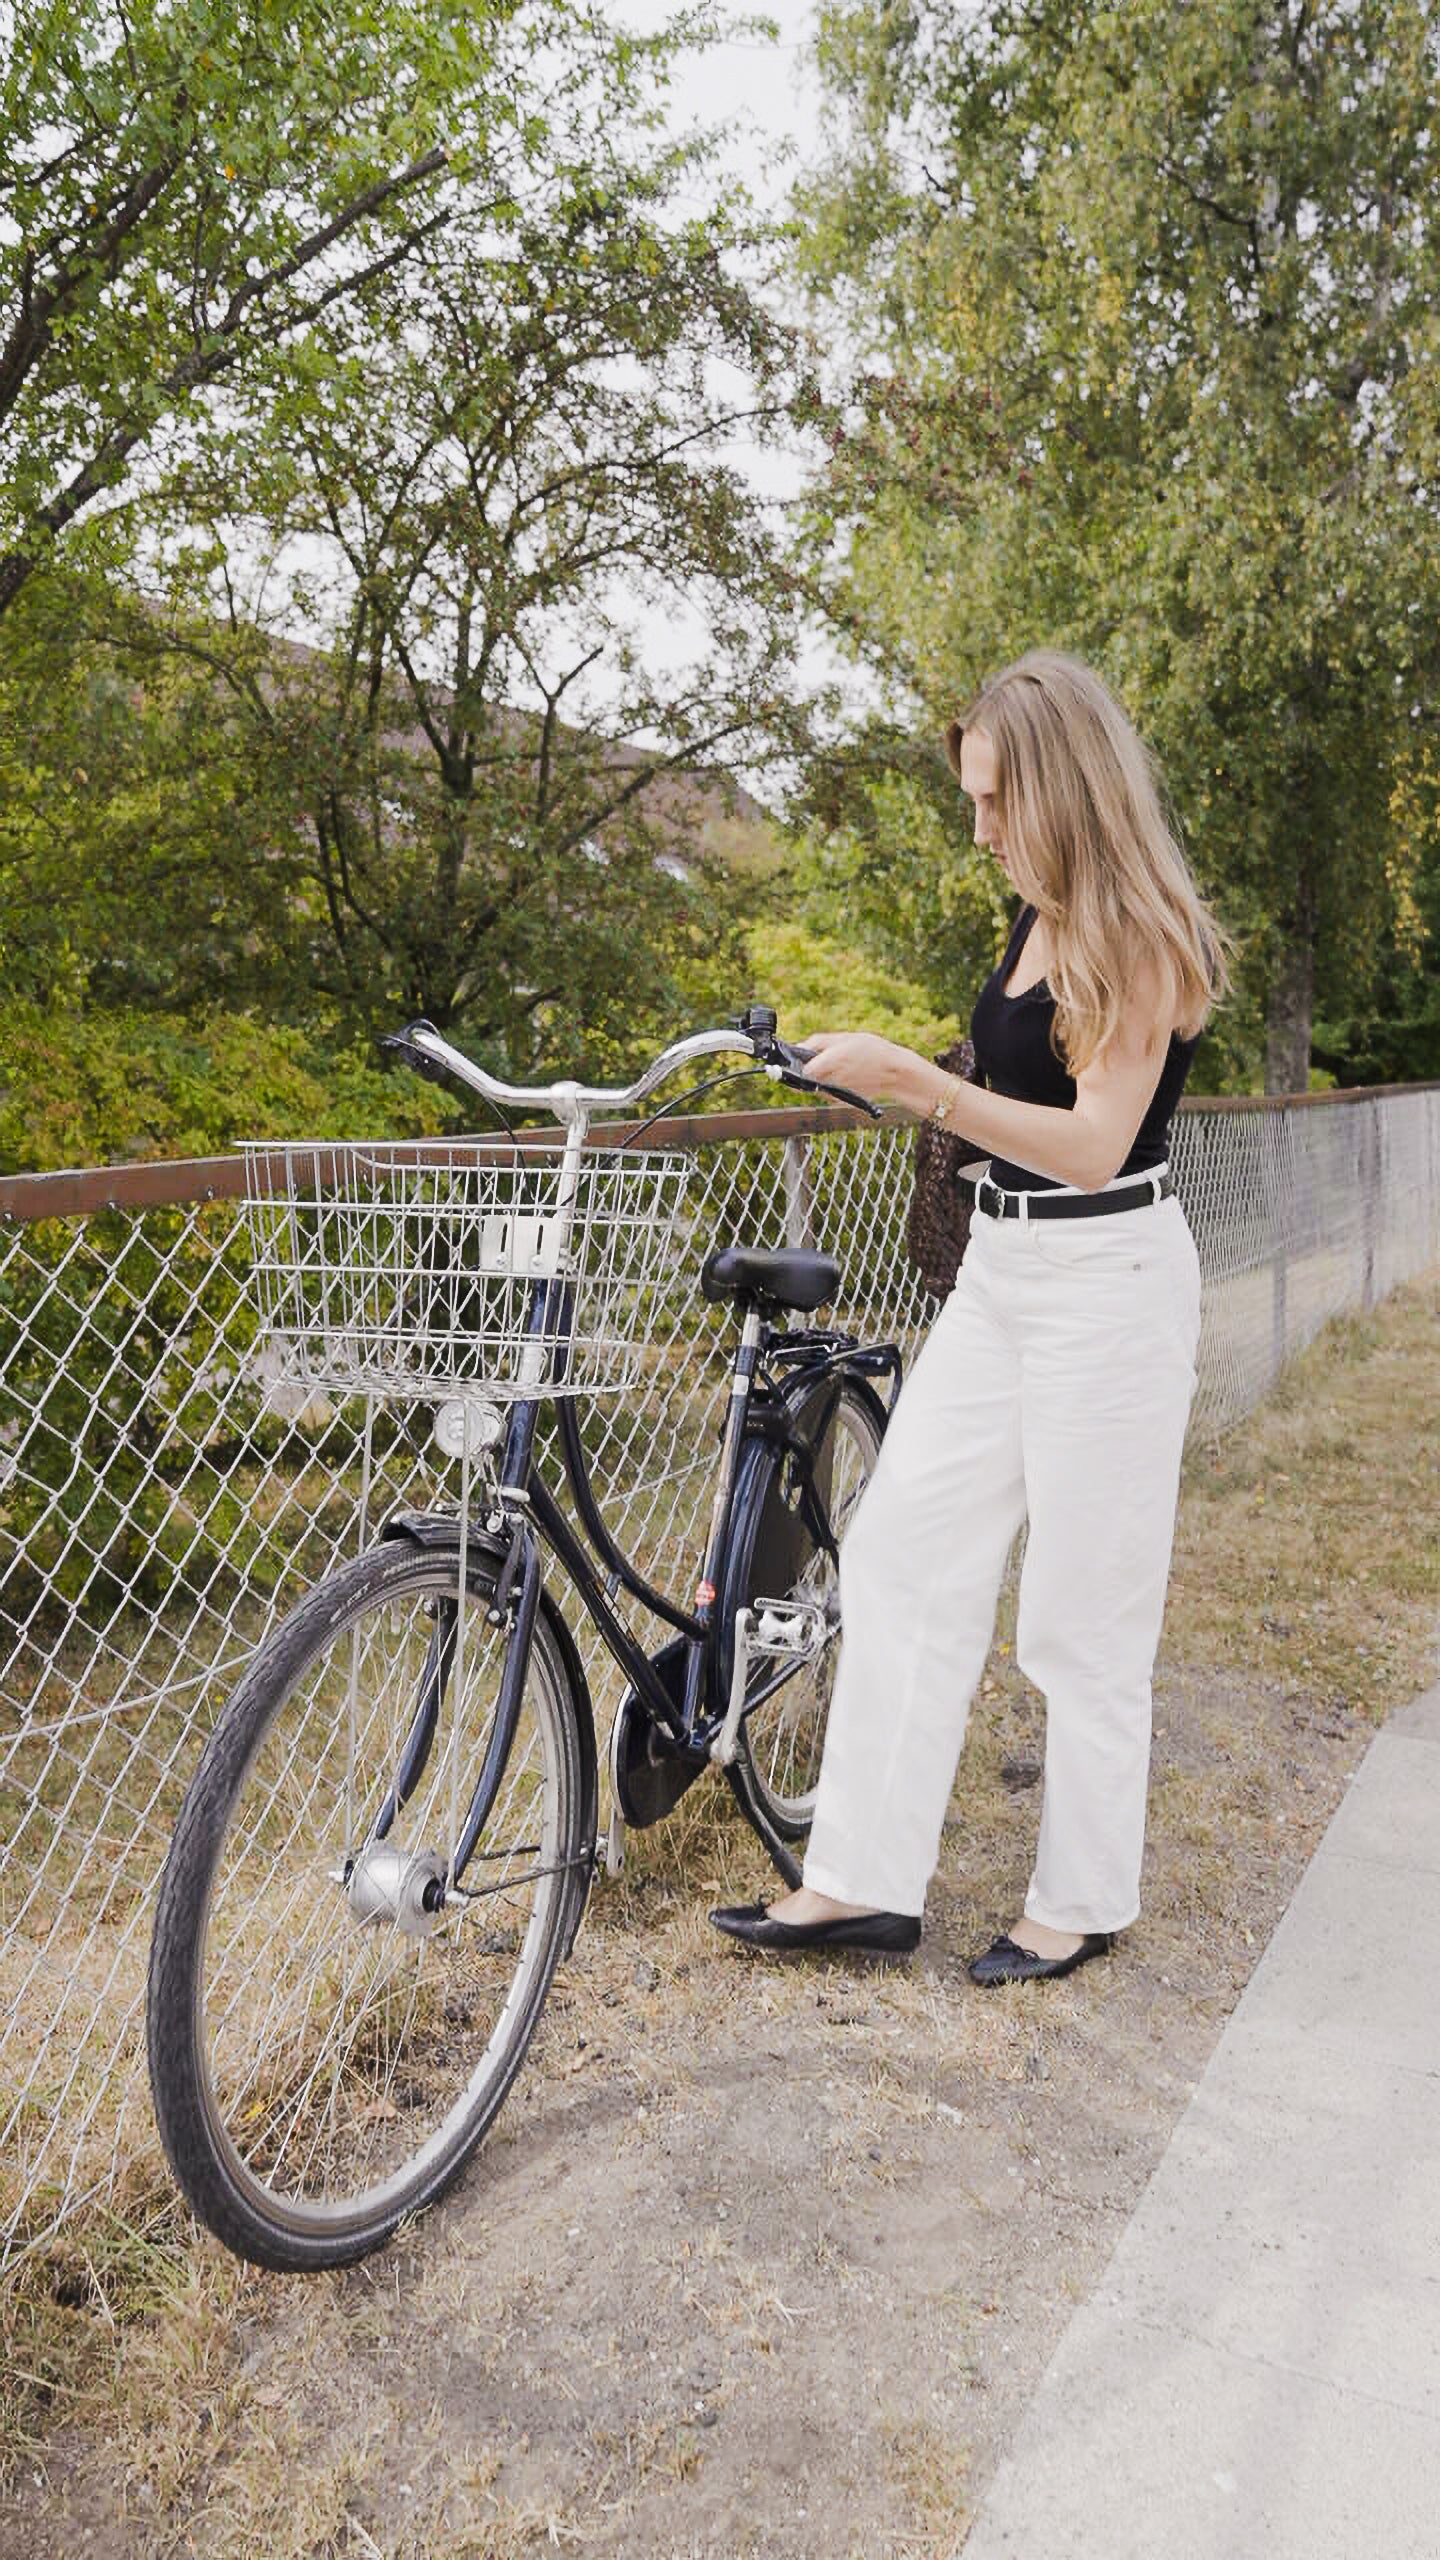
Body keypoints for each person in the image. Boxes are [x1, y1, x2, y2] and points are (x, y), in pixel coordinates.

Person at [710, 650, 1228, 1985]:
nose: (981, 826)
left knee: (1081, 1615)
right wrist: (882, 1066)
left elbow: (1098, 1146)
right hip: (1002, 1278)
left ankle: (1081, 1898)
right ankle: (862, 1885)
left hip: (1106, 1284)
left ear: (1062, 792)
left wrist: (917, 1089)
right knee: (900, 1553)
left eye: (995, 800)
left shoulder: (1143, 937)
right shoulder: (1036, 914)